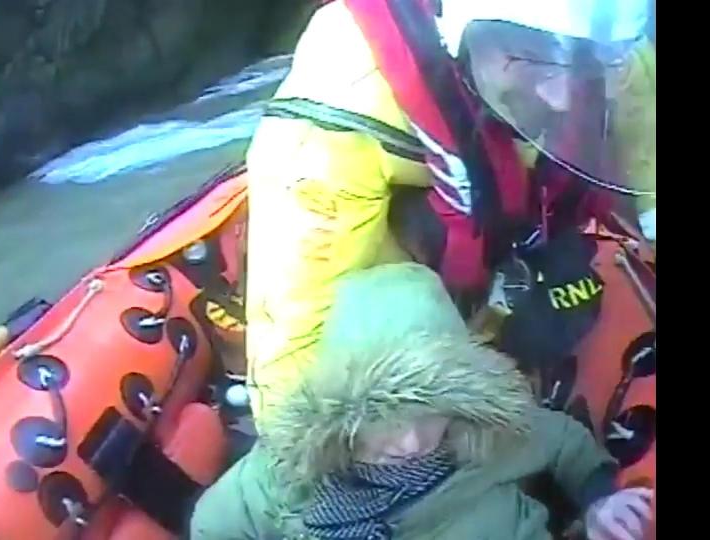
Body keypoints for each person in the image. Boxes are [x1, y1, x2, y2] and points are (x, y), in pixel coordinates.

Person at [243, 0, 655, 421]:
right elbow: (295, 346)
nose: (563, 98)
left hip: (522, 244)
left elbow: (646, 152)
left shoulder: (611, 47)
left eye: (583, 57)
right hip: (412, 311)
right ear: (462, 30)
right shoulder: (335, 122)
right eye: (532, 55)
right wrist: (315, 457)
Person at [192, 263, 653, 539]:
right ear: (341, 411)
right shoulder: (288, 468)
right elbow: (214, 524)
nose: (412, 441)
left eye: (430, 413)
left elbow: (564, 443)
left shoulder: (487, 433)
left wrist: (599, 503)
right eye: (386, 416)